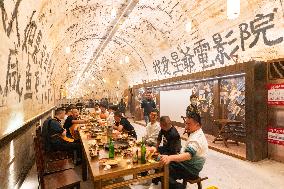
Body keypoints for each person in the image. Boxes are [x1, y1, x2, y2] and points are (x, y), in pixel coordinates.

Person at [160, 112, 208, 189]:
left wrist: (170, 158)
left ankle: (179, 187)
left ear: (197, 125)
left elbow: (188, 155)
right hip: (188, 164)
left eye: (189, 124)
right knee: (163, 164)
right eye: (186, 123)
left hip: (191, 169)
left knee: (163, 169)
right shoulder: (195, 132)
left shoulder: (197, 138)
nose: (186, 126)